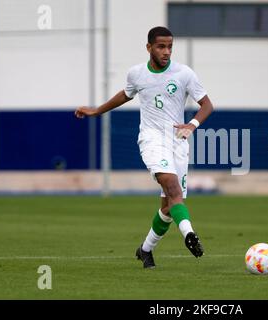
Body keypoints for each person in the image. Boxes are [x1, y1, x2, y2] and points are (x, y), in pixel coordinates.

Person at [75, 26, 214, 268]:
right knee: (172, 188)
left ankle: (145, 249)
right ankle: (189, 235)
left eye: (170, 46)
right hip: (151, 139)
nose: (167, 51)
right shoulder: (136, 74)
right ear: (149, 47)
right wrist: (97, 110)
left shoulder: (184, 73)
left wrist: (191, 125)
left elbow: (207, 105)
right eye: (161, 46)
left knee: (169, 207)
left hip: (178, 141)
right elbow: (126, 94)